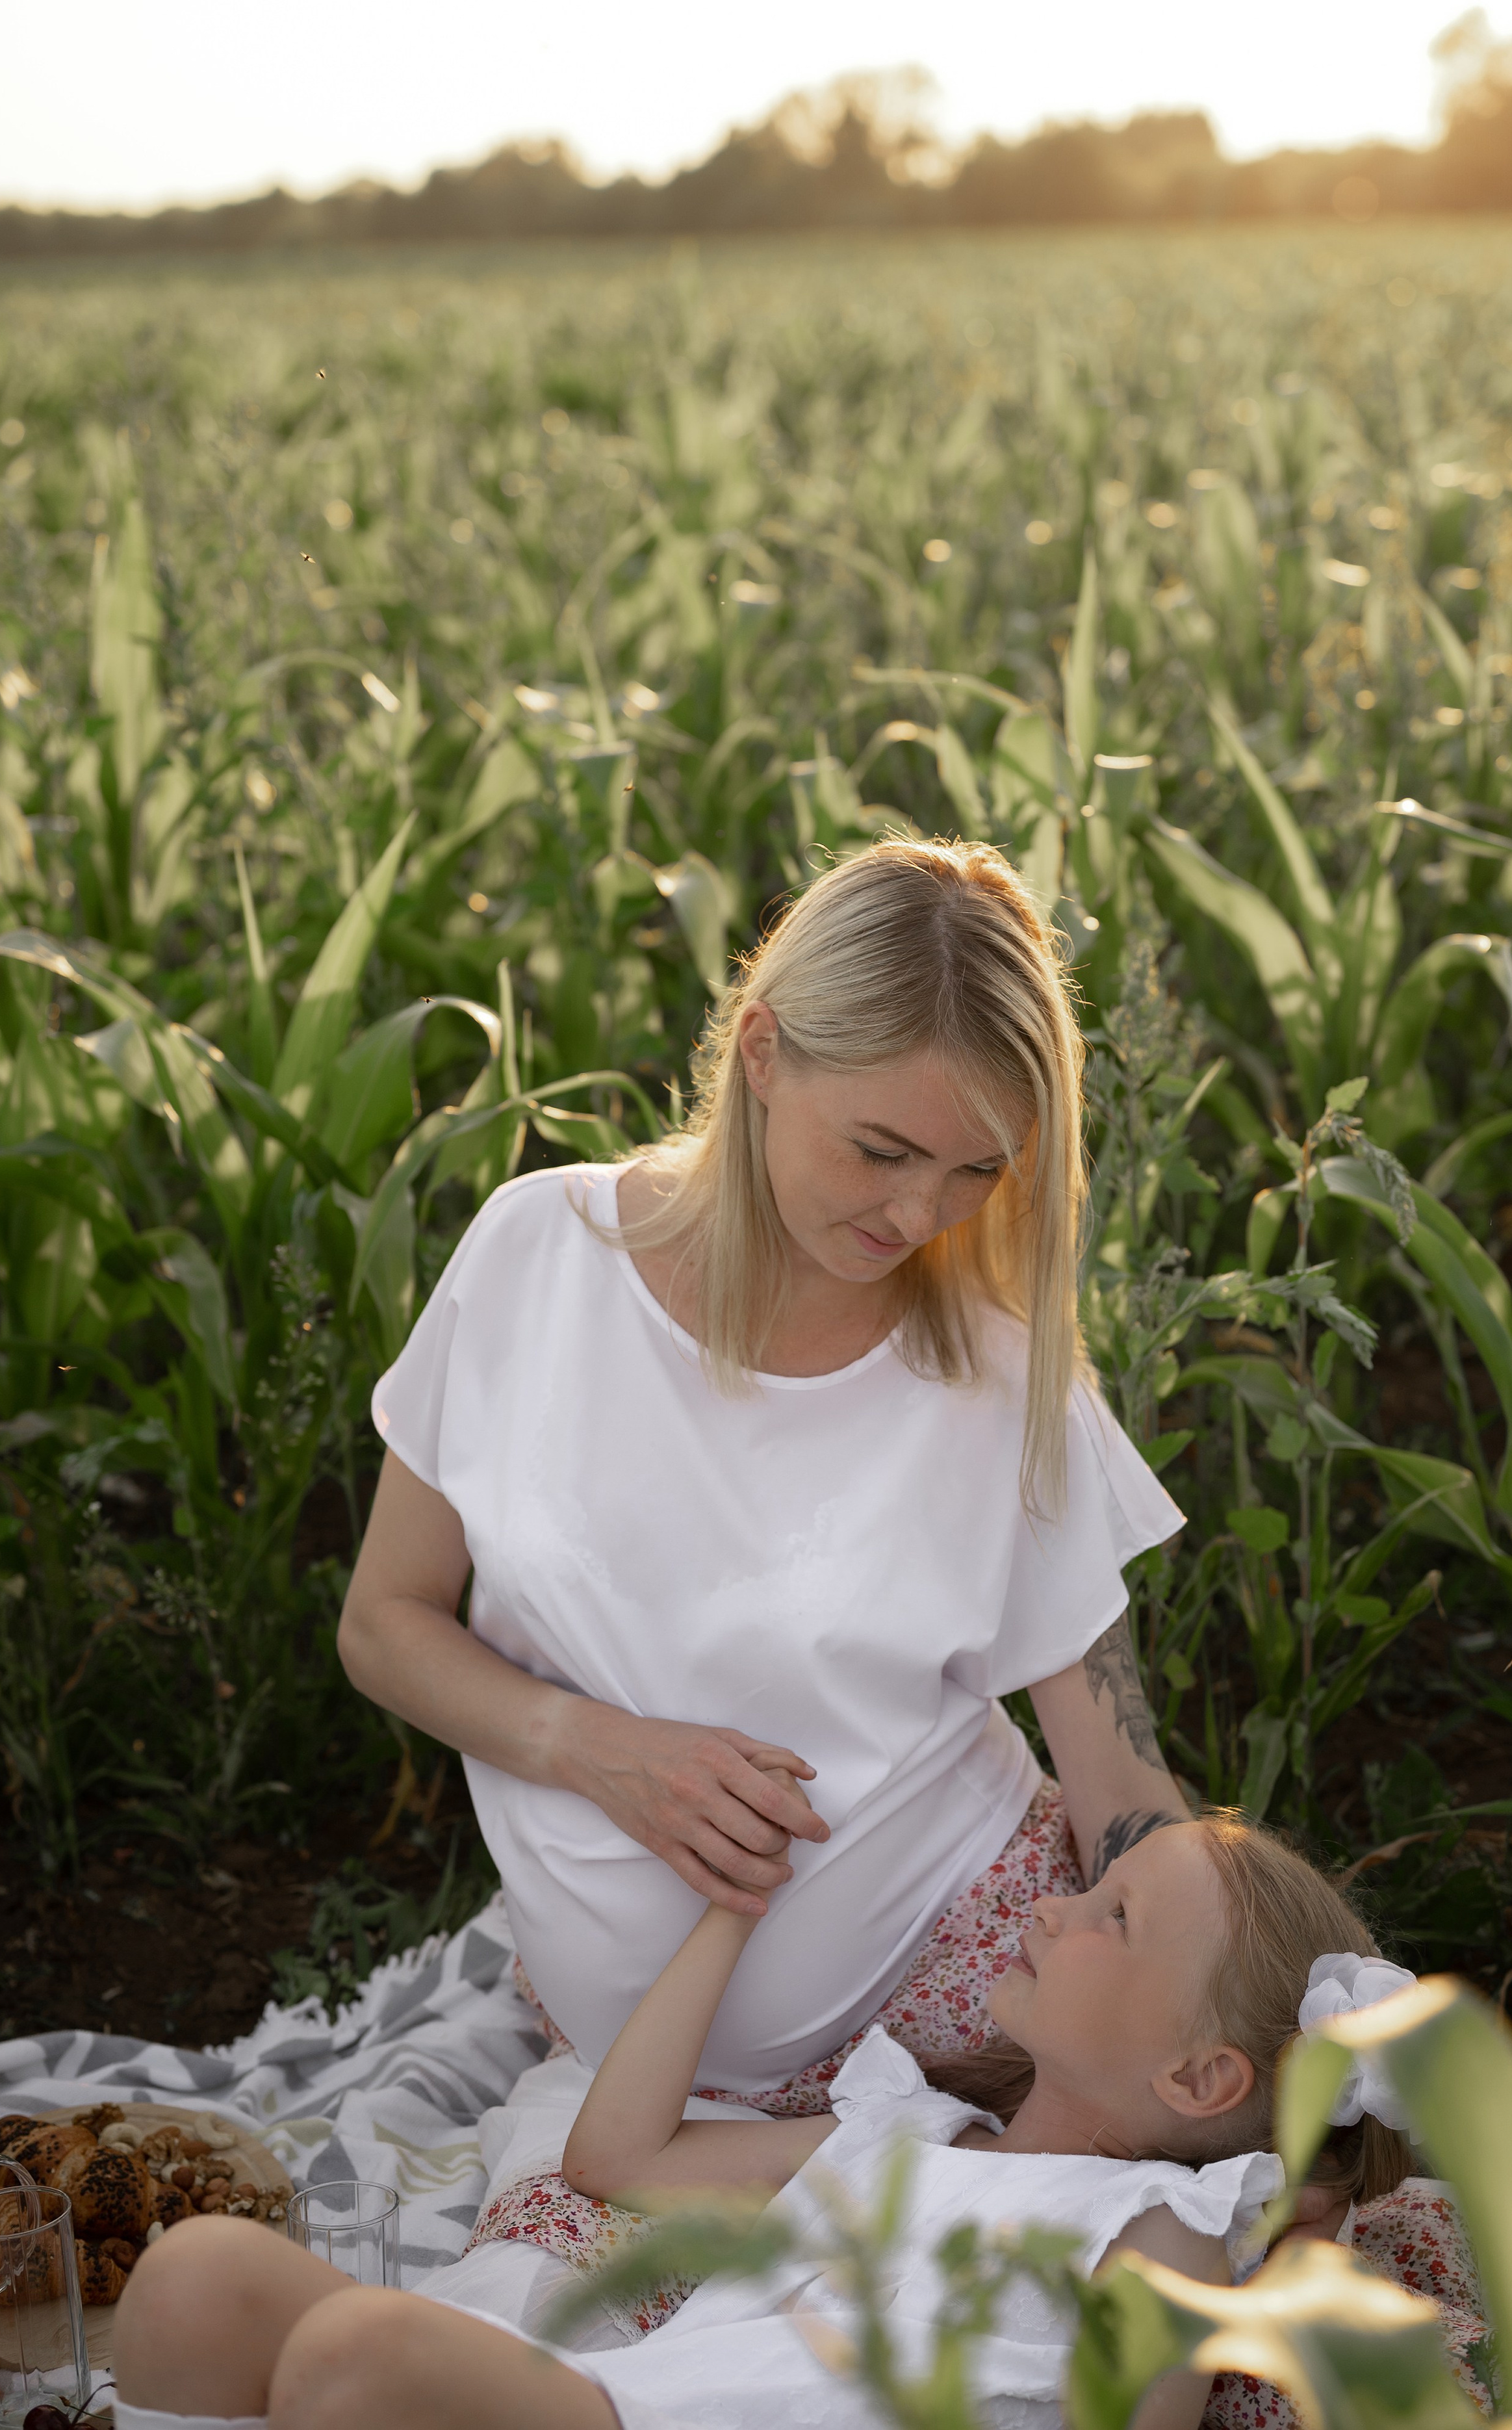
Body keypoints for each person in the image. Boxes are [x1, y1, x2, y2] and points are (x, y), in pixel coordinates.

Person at [335, 836, 1189, 2122]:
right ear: (762, 1053)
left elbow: (1119, 1786)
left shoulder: (998, 1375)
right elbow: (383, 1622)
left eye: (976, 1168)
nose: (920, 1214)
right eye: (881, 1148)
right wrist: (596, 1749)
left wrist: (1256, 1995)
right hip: (637, 2079)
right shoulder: (535, 1256)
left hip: (967, 2016)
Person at [110, 1810, 1418, 2430]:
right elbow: (615, 2157)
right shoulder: (902, 2133)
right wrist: (731, 1911)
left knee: (358, 2356)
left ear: (1198, 2082)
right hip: (609, 2403)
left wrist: (1305, 2220)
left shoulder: (1158, 2229)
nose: (1054, 1907)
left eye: (1111, 1916)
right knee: (193, 2276)